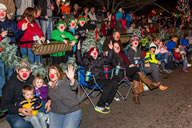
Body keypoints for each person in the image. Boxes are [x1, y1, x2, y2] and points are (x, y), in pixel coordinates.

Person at [76, 41, 118, 113]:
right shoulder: (87, 60)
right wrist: (78, 50)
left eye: (96, 52)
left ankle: (107, 102)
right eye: (93, 52)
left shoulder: (100, 59)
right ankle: (100, 105)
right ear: (90, 53)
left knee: (114, 82)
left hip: (101, 78)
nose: (95, 53)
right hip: (92, 80)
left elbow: (109, 59)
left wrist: (111, 50)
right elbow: (79, 60)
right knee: (108, 84)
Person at [0, 3, 28, 97]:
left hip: (12, 53)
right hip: (1, 53)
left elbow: (17, 36)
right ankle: (2, 96)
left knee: (12, 74)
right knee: (2, 75)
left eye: (3, 11)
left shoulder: (11, 22)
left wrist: (22, 30)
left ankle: (12, 95)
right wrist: (0, 35)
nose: (2, 12)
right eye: (0, 11)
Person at [1, 60, 34, 128]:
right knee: (19, 125)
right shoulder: (9, 85)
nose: (24, 74)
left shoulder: (32, 79)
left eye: (26, 71)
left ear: (30, 71)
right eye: (22, 71)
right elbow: (4, 106)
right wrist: (19, 110)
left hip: (31, 106)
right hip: (14, 112)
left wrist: (48, 100)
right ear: (17, 71)